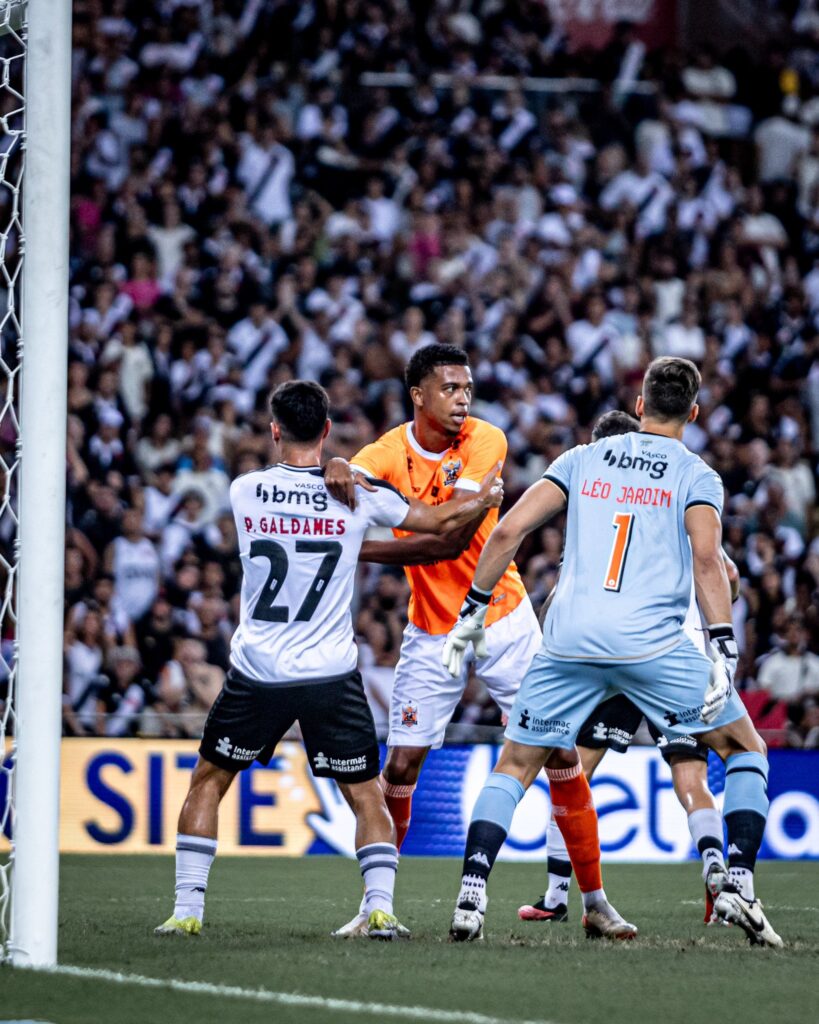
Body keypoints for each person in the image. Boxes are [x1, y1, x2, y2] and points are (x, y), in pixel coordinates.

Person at [444, 357, 782, 947]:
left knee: (516, 765)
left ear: (641, 403)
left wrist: (472, 613)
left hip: (569, 641)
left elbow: (505, 533)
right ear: (694, 413)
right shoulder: (697, 475)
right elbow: (710, 563)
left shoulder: (578, 459)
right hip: (653, 646)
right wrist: (724, 646)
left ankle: (472, 894)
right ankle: (740, 885)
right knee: (742, 749)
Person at [155, 379, 503, 941]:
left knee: (208, 783)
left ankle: (188, 910)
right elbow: (439, 524)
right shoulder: (358, 494)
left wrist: (334, 466)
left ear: (274, 432)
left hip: (259, 672)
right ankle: (382, 910)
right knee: (365, 793)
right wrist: (483, 501)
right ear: (325, 429)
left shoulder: (245, 490)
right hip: (329, 674)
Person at [323, 344, 546, 937]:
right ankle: (378, 906)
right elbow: (348, 476)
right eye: (449, 389)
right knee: (399, 763)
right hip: (431, 627)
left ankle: (592, 899)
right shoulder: (391, 450)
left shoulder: (485, 439)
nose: (462, 399)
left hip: (501, 615)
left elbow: (448, 539)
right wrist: (338, 465)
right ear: (418, 395)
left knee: (560, 752)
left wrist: (359, 548)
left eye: (467, 388)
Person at [516, 410, 739, 927]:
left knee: (574, 772)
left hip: (614, 655)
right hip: (677, 657)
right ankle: (715, 870)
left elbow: (575, 590)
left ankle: (555, 895)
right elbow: (723, 572)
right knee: (692, 775)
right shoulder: (683, 494)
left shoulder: (600, 502)